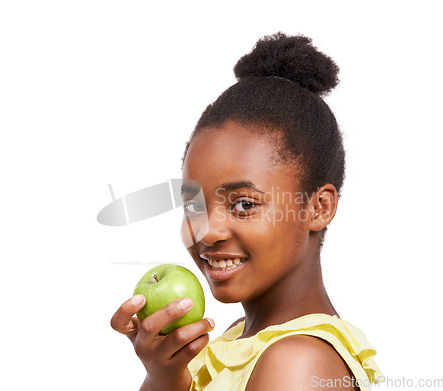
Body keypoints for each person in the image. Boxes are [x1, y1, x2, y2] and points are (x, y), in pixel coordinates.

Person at [111, 32, 384, 391]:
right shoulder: (239, 340)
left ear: (318, 207)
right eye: (194, 205)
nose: (207, 232)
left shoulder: (296, 364)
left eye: (243, 204)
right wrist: (164, 377)